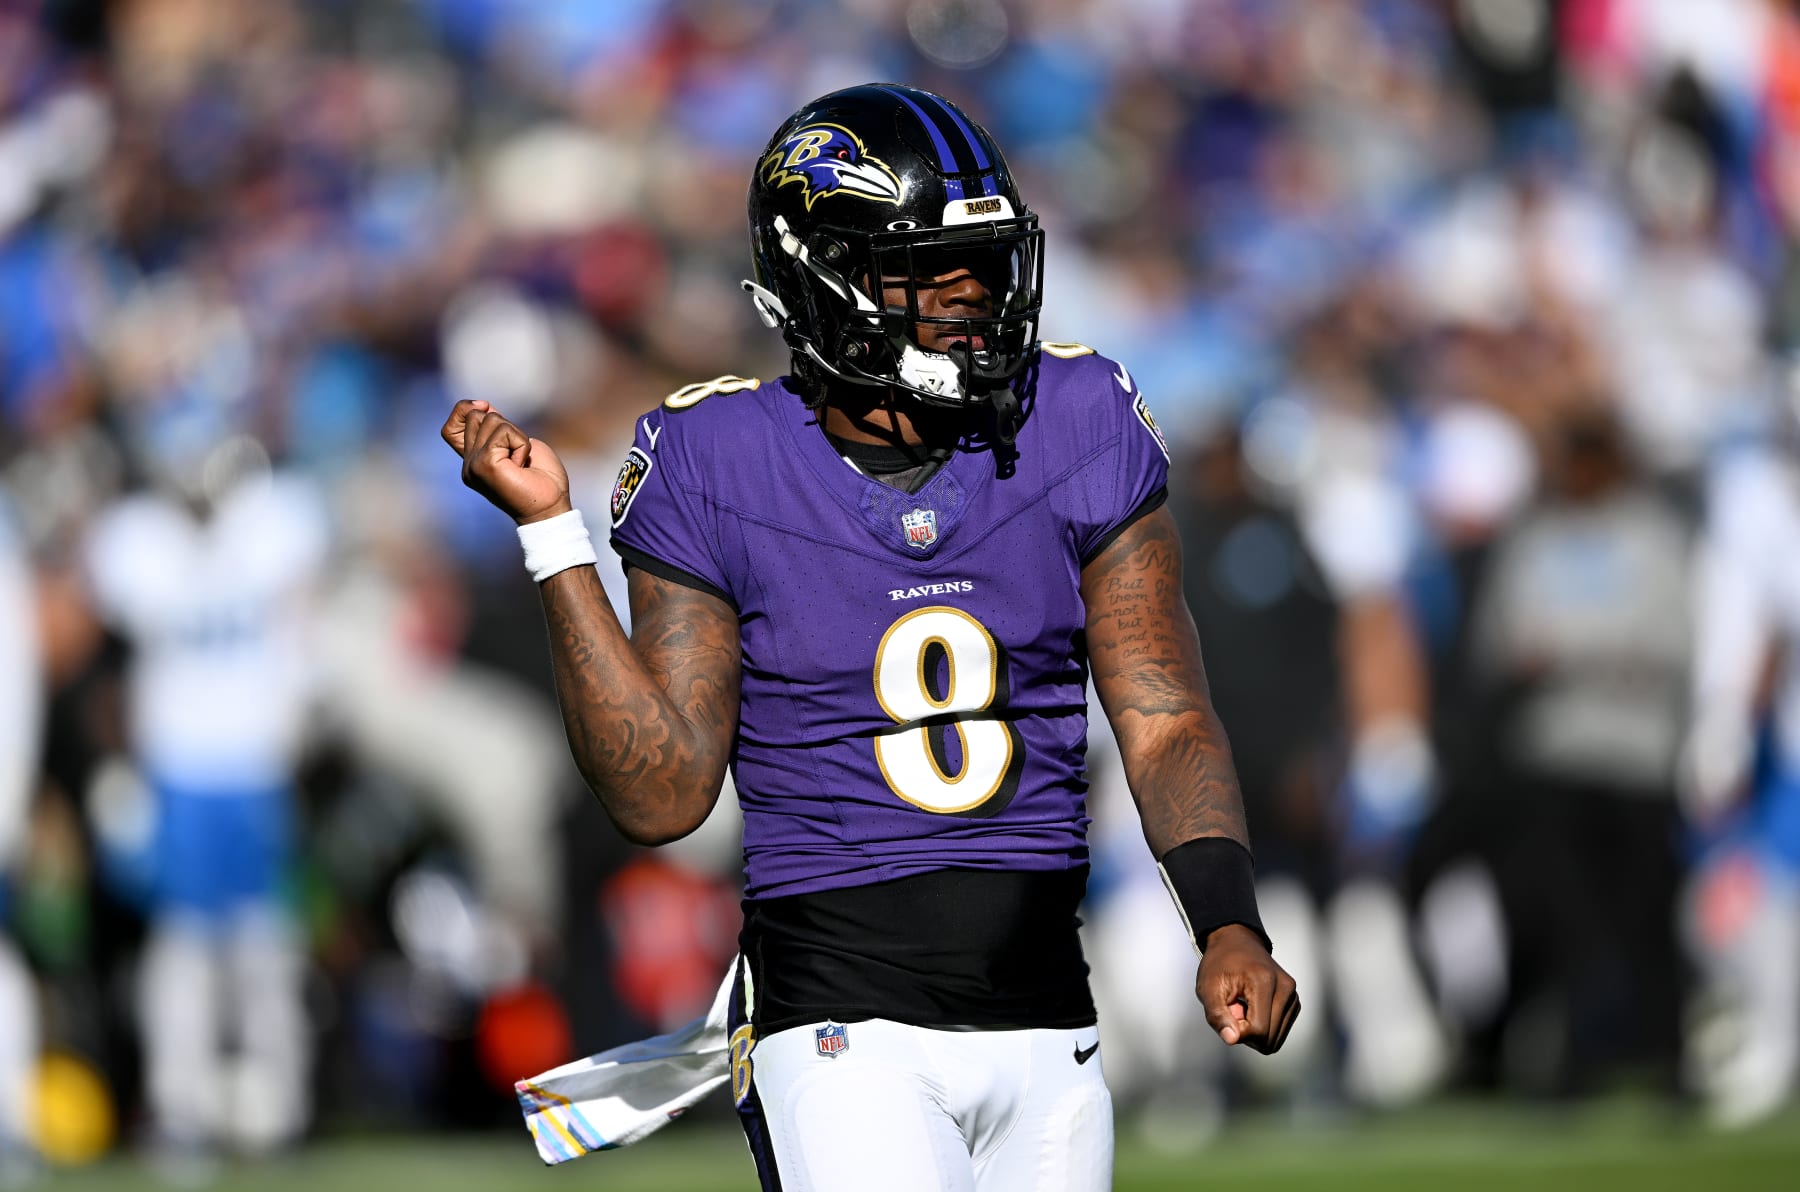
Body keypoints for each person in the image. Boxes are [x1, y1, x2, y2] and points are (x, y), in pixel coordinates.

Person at [443, 83, 1298, 1191]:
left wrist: (1227, 921)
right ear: (824, 278)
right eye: (927, 270)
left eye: (981, 263)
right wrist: (555, 538)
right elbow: (661, 793)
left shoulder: (1076, 416)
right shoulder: (716, 457)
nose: (971, 296)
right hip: (840, 1028)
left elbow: (1166, 714)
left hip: (1049, 1020)